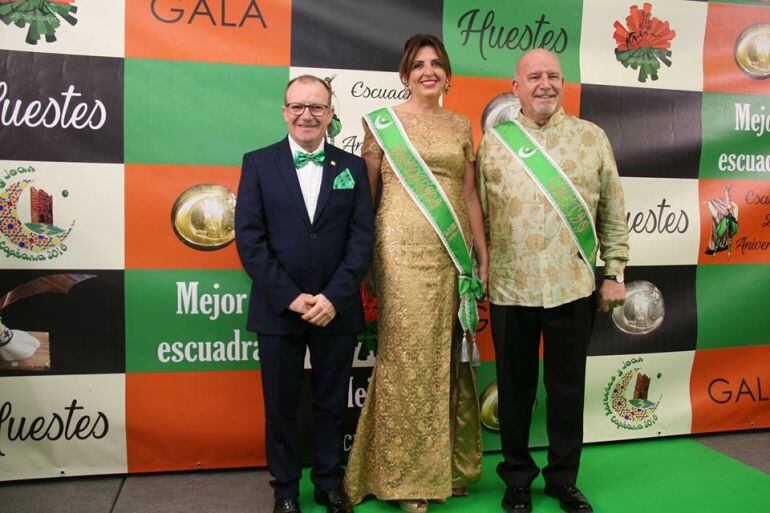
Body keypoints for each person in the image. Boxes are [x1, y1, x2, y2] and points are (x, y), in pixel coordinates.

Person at [476, 49, 629, 513]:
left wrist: (614, 272)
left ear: (563, 83)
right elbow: (477, 215)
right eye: (535, 76)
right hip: (510, 286)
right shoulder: (494, 143)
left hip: (573, 285)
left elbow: (612, 211)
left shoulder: (592, 138)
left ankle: (563, 479)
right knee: (515, 388)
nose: (545, 84)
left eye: (554, 76)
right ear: (515, 86)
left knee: (567, 388)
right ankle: (518, 479)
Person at [344, 34, 489, 513]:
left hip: (451, 253)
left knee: (443, 356)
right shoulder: (383, 124)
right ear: (405, 75)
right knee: (406, 356)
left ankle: (442, 469)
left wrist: (480, 254)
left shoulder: (461, 124)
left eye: (437, 64)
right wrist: (360, 258)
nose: (429, 71)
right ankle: (402, 477)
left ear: (448, 74)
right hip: (398, 249)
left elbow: (469, 197)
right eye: (419, 65)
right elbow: (366, 197)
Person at [235, 75, 373, 513]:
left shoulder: (351, 168)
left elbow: (361, 240)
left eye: (317, 107)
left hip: (337, 309)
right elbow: (249, 239)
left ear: (331, 114)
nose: (306, 115)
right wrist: (291, 298)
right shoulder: (257, 163)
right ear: (284, 111)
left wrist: (333, 297)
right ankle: (286, 491)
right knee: (281, 406)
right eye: (298, 106)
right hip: (279, 309)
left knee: (332, 403)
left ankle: (329, 483)